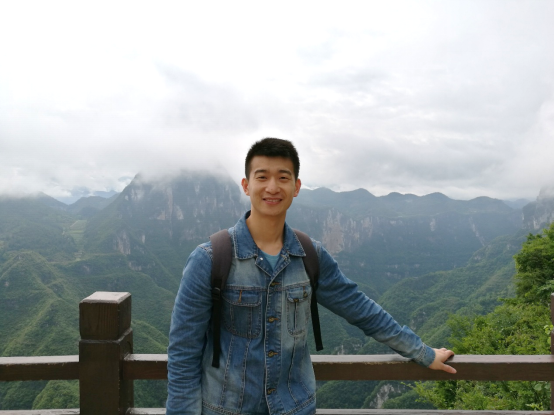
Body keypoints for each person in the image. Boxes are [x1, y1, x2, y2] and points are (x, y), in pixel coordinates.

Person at [166, 138, 456, 415]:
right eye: (262, 176)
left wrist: (422, 352)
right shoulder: (210, 259)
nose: (272, 187)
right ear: (246, 185)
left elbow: (360, 309)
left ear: (296, 187)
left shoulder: (310, 256)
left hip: (295, 408)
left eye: (283, 177)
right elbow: (183, 353)